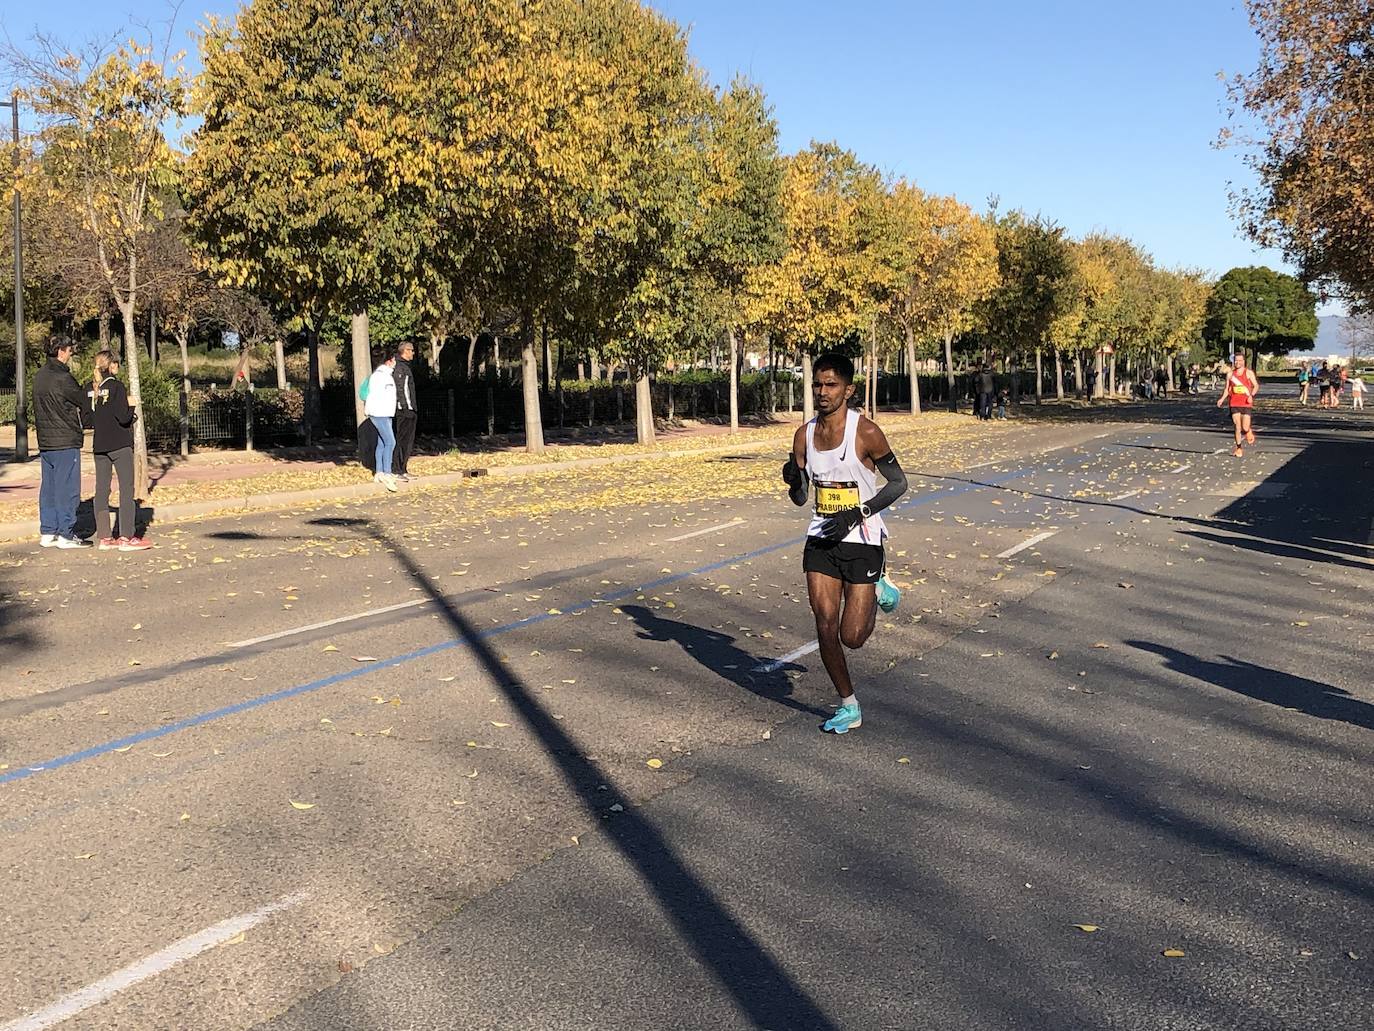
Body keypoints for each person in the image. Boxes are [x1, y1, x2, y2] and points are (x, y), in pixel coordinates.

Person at [781, 353, 909, 735]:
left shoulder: (866, 432)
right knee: (824, 625)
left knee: (852, 637)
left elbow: (898, 483)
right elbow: (802, 498)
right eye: (817, 384)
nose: (822, 392)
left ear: (848, 390)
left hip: (863, 538)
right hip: (821, 537)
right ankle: (848, 705)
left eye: (831, 384)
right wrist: (792, 480)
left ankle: (879, 581)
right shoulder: (803, 435)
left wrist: (858, 513)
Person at [32, 335, 92, 549]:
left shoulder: (40, 376)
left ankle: (48, 530)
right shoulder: (62, 377)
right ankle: (66, 533)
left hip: (46, 441)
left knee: (49, 487)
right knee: (67, 488)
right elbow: (82, 399)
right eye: (68, 350)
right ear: (60, 351)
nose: (70, 354)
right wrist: (89, 387)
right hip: (65, 439)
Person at [89, 350, 151, 551]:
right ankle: (126, 536)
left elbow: (88, 419)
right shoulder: (117, 387)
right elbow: (123, 417)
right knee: (126, 488)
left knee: (101, 490)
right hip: (119, 445)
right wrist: (132, 409)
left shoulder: (94, 389)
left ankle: (105, 537)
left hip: (99, 446)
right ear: (113, 366)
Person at [363, 352, 399, 491]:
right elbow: (378, 396)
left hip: (385, 413)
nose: (395, 362)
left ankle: (379, 472)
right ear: (389, 361)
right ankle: (387, 473)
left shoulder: (384, 375)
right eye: (394, 360)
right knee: (391, 442)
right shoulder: (381, 376)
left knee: (382, 443)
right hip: (380, 413)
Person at [1217, 353, 1259, 457]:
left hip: (1246, 402)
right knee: (1237, 426)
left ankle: (1248, 431)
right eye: (1236, 360)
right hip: (1234, 402)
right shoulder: (1230, 374)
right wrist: (1222, 399)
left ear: (1244, 361)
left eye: (1240, 360)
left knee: (1245, 427)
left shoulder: (1248, 373)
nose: (1237, 362)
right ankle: (1239, 448)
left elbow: (1256, 386)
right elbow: (1227, 389)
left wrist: (1251, 395)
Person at [391, 341, 419, 481]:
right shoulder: (400, 368)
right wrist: (407, 407)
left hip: (409, 409)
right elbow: (402, 390)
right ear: (406, 351)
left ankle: (403, 468)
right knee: (401, 440)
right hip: (404, 411)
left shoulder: (405, 366)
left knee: (408, 442)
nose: (413, 353)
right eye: (411, 350)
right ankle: (396, 470)